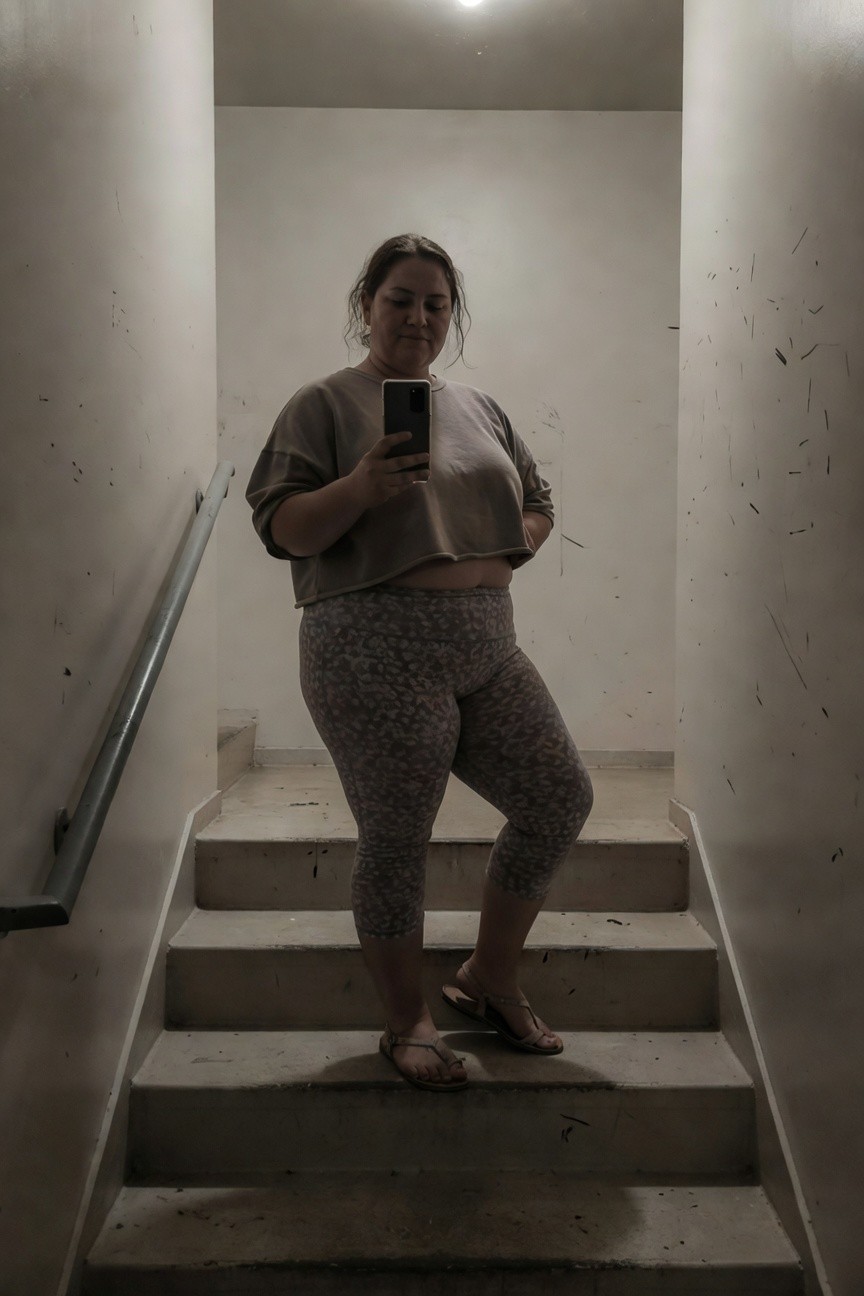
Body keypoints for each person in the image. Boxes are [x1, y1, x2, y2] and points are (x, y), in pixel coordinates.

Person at [247, 234, 594, 1091]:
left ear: (453, 317)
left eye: (436, 303)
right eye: (400, 298)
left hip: (486, 641)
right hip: (372, 647)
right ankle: (407, 1019)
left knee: (558, 797)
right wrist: (361, 487)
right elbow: (281, 526)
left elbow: (538, 500)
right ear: (367, 304)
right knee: (399, 836)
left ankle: (488, 978)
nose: (418, 316)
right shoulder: (323, 404)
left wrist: (508, 551)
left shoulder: (479, 406)